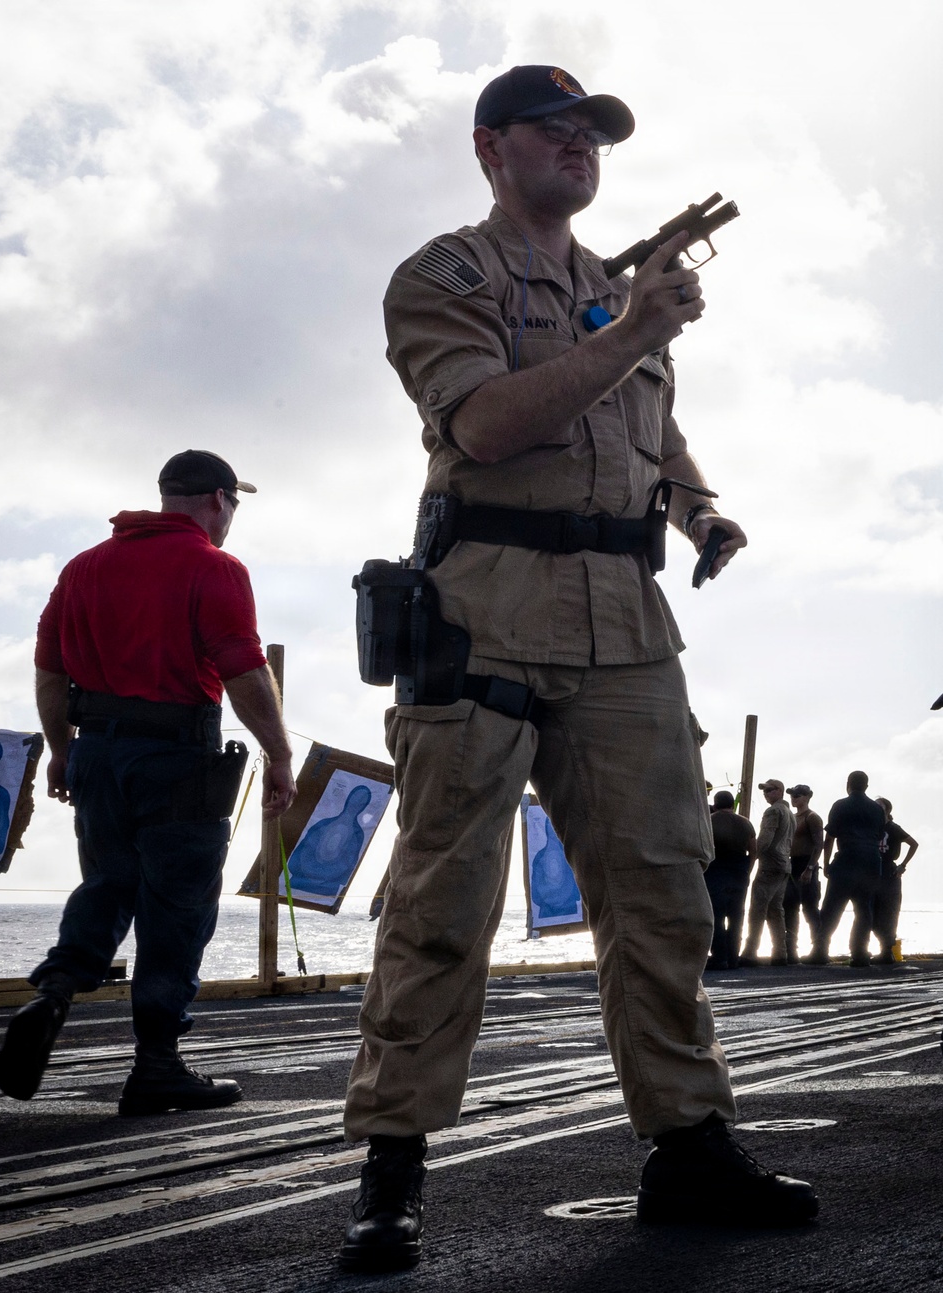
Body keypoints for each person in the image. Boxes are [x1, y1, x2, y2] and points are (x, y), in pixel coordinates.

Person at [340, 64, 816, 1273]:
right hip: (485, 613)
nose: (579, 147)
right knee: (444, 903)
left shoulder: (616, 289)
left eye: (592, 135)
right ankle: (392, 1166)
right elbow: (486, 426)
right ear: (490, 148)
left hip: (625, 621)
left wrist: (702, 513)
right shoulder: (447, 277)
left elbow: (659, 436)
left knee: (663, 895)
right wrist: (636, 332)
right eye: (553, 132)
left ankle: (689, 1145)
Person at [0, 450, 297, 1115]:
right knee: (178, 907)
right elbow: (244, 673)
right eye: (234, 504)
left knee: (107, 883)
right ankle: (157, 1064)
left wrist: (61, 750)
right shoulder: (214, 568)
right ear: (218, 500)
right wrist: (278, 755)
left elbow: (49, 671)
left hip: (97, 753)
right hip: (177, 759)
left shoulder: (83, 567)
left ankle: (55, 991)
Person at [805, 771, 886, 968]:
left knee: (832, 908)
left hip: (847, 859)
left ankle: (820, 951)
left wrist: (825, 863)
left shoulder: (840, 805)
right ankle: (859, 953)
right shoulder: (877, 809)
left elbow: (830, 837)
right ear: (866, 786)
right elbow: (879, 835)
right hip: (871, 861)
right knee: (864, 909)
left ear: (848, 784)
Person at [739, 779, 794, 966]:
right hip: (784, 865)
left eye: (770, 790)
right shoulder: (789, 812)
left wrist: (752, 858)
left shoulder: (773, 811)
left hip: (770, 865)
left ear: (780, 791)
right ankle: (780, 953)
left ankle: (749, 952)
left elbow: (765, 839)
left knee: (757, 909)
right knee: (775, 911)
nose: (766, 794)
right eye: (764, 791)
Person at [705, 791, 757, 971]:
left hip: (716, 871)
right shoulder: (746, 823)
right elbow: (753, 851)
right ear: (731, 804)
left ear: (716, 804)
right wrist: (747, 872)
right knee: (736, 916)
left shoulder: (709, 821)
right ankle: (733, 957)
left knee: (716, 916)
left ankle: (719, 957)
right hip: (739, 872)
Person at [871, 797, 918, 964]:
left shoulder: (893, 828)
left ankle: (887, 951)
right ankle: (882, 948)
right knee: (871, 911)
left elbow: (913, 843)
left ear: (886, 810)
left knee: (889, 912)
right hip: (872, 871)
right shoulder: (871, 827)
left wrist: (902, 865)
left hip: (889, 872)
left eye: (879, 807)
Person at [783, 784, 823, 963]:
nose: (794, 798)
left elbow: (819, 844)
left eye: (798, 795)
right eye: (792, 795)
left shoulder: (812, 817)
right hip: (791, 865)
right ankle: (791, 950)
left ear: (808, 796)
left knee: (810, 909)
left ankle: (819, 949)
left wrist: (810, 868)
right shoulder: (792, 817)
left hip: (806, 864)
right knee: (789, 907)